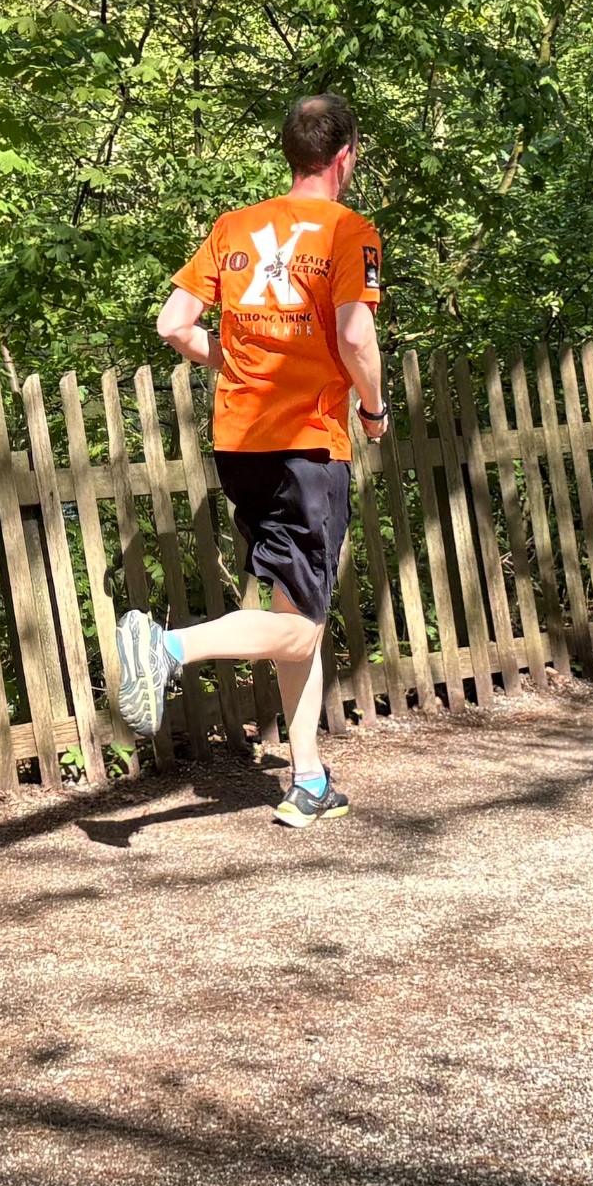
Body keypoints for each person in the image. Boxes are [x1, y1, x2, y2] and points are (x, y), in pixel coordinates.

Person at [113, 94, 388, 826]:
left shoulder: (234, 227)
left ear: (288, 153)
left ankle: (308, 779)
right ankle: (165, 645)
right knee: (298, 627)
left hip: (240, 439)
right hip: (307, 441)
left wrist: (236, 367)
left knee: (299, 612)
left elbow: (174, 325)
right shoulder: (348, 230)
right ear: (344, 157)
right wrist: (373, 409)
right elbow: (356, 336)